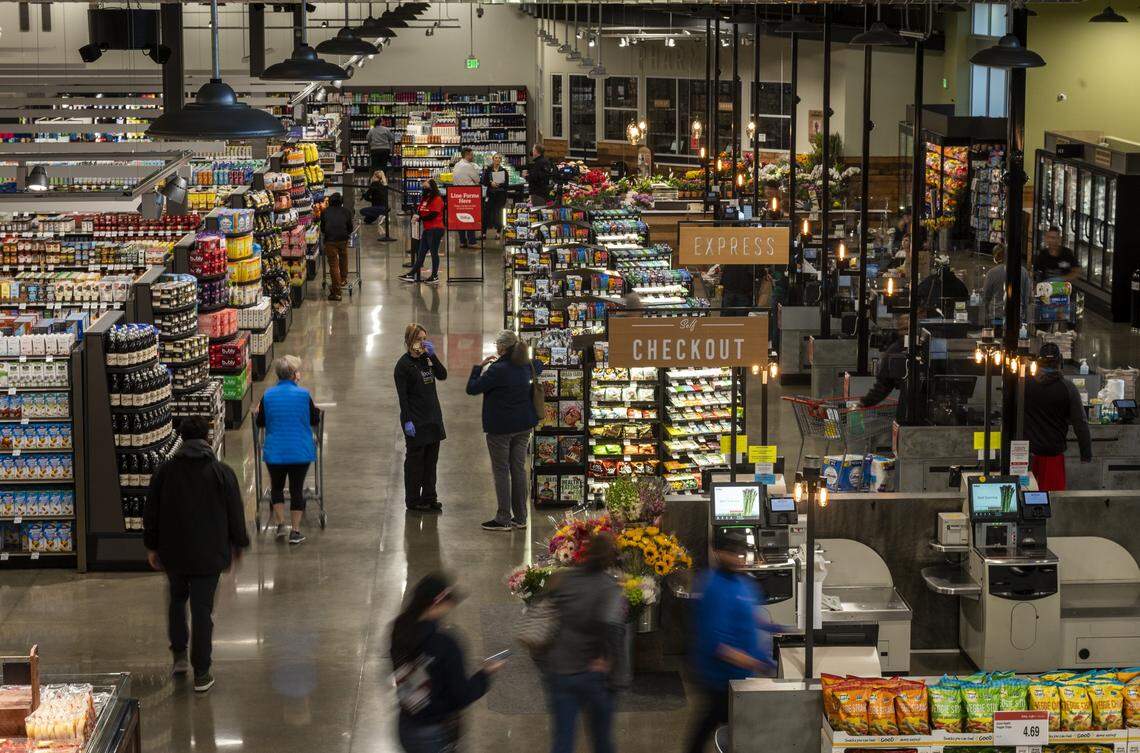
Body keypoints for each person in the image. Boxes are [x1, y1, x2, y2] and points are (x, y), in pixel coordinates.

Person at [143, 416, 249, 694]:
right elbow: (235, 513)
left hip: (173, 552)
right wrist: (239, 544)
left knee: (177, 601)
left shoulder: (164, 472)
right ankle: (202, 673)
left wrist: (152, 546)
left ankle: (179, 657)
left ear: (180, 437)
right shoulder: (221, 472)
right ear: (207, 436)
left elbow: (151, 512)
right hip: (209, 555)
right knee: (202, 611)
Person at [390, 572, 503, 753]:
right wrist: (485, 674)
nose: (450, 607)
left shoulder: (399, 628)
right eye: (448, 602)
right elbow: (462, 695)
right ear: (436, 603)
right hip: (434, 734)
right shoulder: (445, 644)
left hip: (405, 725)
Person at [685, 544, 777, 753]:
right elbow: (717, 644)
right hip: (719, 676)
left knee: (719, 722)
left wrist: (772, 627)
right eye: (733, 553)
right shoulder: (713, 587)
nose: (739, 559)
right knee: (716, 720)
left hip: (740, 676)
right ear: (719, 553)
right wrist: (758, 664)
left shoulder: (742, 582)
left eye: (741, 554)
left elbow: (747, 612)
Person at [542, 532, 625, 753]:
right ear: (610, 558)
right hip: (591, 672)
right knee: (602, 741)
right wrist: (612, 667)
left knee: (563, 740)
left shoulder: (564, 579)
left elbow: (548, 616)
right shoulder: (609, 588)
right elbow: (613, 632)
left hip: (558, 669)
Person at [465, 329, 541, 532]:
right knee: (518, 469)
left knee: (501, 471)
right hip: (524, 425)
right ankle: (521, 517)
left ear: (503, 347)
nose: (496, 348)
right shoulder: (526, 364)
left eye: (497, 345)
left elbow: (472, 388)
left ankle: (503, 518)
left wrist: (478, 368)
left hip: (501, 428)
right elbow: (539, 367)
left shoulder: (497, 369)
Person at [255, 355, 320, 545]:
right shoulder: (304, 395)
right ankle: (296, 531)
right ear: (293, 375)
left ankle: (281, 525)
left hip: (275, 451)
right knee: (296, 489)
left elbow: (260, 422)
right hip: (300, 450)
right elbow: (315, 419)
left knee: (276, 487)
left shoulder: (267, 396)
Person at [1023, 342, 1092, 491]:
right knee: (1052, 503)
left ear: (1038, 362)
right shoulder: (1068, 388)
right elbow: (1081, 424)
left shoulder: (1024, 384)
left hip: (1024, 456)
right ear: (1060, 362)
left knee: (1024, 500)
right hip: (1053, 457)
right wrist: (1086, 454)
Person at [395, 323, 447, 511]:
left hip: (433, 418)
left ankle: (429, 497)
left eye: (425, 339)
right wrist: (407, 420)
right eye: (419, 339)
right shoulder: (403, 366)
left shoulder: (427, 359)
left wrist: (433, 355)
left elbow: (443, 375)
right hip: (416, 421)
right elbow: (403, 397)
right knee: (415, 464)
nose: (422, 343)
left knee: (431, 462)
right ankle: (413, 500)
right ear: (409, 341)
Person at [400, 179, 445, 285]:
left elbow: (433, 214)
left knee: (434, 253)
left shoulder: (437, 199)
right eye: (423, 188)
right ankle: (411, 274)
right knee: (421, 253)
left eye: (426, 188)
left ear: (431, 188)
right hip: (427, 229)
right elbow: (420, 211)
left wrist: (420, 217)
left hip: (435, 229)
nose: (423, 190)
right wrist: (417, 216)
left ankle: (434, 276)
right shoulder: (425, 199)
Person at [860, 315, 908, 412]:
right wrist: (865, 402)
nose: (907, 332)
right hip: (908, 407)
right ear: (899, 330)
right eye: (904, 329)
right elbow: (884, 384)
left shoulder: (928, 347)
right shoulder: (894, 351)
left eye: (909, 328)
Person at [981, 244, 1032, 328]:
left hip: (997, 317)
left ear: (997, 257)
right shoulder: (1023, 272)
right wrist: (1024, 315)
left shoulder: (992, 273)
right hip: (1016, 316)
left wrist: (986, 315)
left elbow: (986, 297)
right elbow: (1027, 297)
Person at [319, 192, 354, 301]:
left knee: (334, 265)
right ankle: (343, 279)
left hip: (330, 240)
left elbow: (323, 228)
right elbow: (350, 228)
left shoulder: (325, 212)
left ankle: (337, 292)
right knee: (344, 258)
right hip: (343, 239)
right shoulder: (346, 212)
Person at [451, 147, 482, 248]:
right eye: (471, 154)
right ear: (467, 155)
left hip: (458, 195)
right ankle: (472, 242)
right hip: (469, 195)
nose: (472, 156)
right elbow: (477, 180)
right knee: (470, 217)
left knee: (460, 218)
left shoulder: (456, 165)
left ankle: (462, 241)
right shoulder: (468, 166)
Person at [481, 153, 509, 240]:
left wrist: (499, 184)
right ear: (493, 159)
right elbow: (484, 181)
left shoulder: (504, 171)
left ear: (501, 160)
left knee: (499, 214)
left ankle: (498, 233)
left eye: (499, 158)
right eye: (496, 158)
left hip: (500, 195)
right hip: (490, 194)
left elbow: (506, 184)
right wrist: (491, 183)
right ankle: (483, 234)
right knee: (486, 214)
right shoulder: (488, 170)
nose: (497, 159)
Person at [360, 170, 392, 241]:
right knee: (367, 221)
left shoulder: (374, 184)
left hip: (379, 207)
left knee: (362, 211)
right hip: (384, 206)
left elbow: (367, 196)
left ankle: (382, 214)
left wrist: (364, 195)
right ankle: (382, 214)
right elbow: (376, 199)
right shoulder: (384, 184)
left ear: (374, 176)